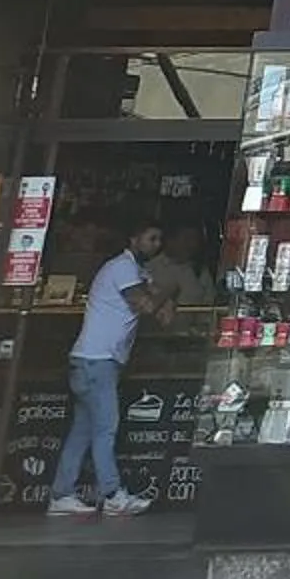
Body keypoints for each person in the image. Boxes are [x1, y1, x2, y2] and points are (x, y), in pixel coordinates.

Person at [52, 214, 170, 519]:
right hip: (97, 360)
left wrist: (159, 292)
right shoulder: (123, 268)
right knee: (106, 428)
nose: (156, 245)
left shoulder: (137, 270)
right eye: (151, 238)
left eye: (159, 240)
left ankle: (61, 494)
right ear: (134, 239)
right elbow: (146, 306)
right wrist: (168, 291)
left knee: (83, 431)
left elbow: (162, 314)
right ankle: (113, 494)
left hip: (92, 359)